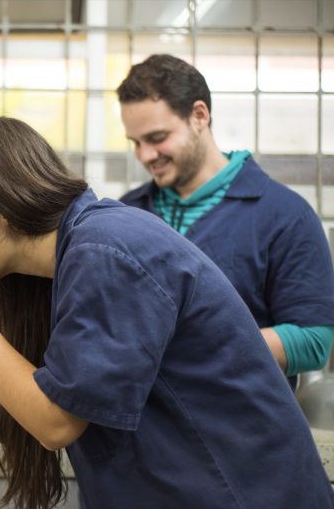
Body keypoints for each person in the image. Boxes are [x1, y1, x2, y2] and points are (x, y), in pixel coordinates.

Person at [0, 117, 334, 509]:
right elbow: (32, 412)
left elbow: (54, 425)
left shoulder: (108, 252)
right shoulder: (69, 264)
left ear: (1, 210)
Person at [117, 54, 334, 388]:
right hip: (142, 431)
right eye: (136, 143)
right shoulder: (126, 214)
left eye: (158, 138)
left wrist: (187, 345)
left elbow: (312, 342)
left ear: (199, 116)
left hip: (240, 432)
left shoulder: (285, 215)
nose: (145, 155)